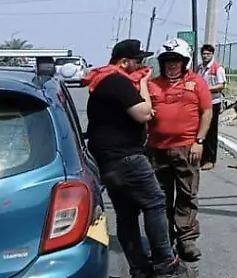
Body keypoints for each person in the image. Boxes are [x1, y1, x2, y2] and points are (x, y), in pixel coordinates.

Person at [85, 39, 181, 278]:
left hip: (108, 160)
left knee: (127, 214)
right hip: (125, 158)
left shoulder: (105, 80)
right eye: (138, 62)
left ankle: (139, 268)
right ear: (124, 61)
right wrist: (144, 85)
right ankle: (164, 262)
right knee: (155, 202)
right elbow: (143, 113)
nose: (142, 66)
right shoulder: (116, 80)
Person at [147, 38, 213, 262]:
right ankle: (165, 241)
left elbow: (207, 112)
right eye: (167, 61)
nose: (171, 65)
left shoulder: (197, 83)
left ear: (184, 62)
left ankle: (187, 239)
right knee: (160, 197)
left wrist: (199, 141)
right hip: (157, 150)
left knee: (186, 194)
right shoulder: (152, 85)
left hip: (187, 148)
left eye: (176, 61)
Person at [195, 43, 227, 169]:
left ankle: (210, 159)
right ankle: (201, 158)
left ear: (212, 55)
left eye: (208, 54)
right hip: (200, 103)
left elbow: (221, 85)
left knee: (211, 131)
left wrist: (206, 89)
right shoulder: (199, 68)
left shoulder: (217, 68)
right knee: (200, 130)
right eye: (204, 54)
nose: (205, 56)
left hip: (213, 103)